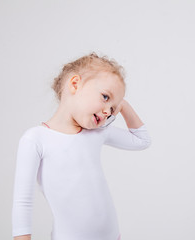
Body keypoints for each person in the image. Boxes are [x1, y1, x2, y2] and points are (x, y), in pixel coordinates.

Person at [11, 52, 151, 240]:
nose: (107, 112)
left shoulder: (97, 132)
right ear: (75, 84)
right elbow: (23, 203)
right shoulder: (35, 139)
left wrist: (123, 105)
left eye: (112, 109)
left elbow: (142, 140)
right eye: (105, 97)